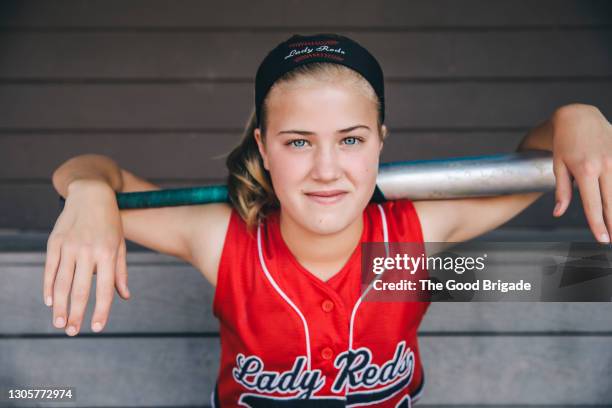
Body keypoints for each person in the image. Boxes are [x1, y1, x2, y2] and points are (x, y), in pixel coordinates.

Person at [44, 33, 611, 406]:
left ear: (379, 141)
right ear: (263, 148)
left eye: (350, 139)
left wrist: (575, 117)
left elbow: (539, 165)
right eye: (298, 142)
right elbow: (92, 171)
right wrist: (91, 191)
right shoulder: (224, 239)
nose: (326, 169)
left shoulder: (413, 234)